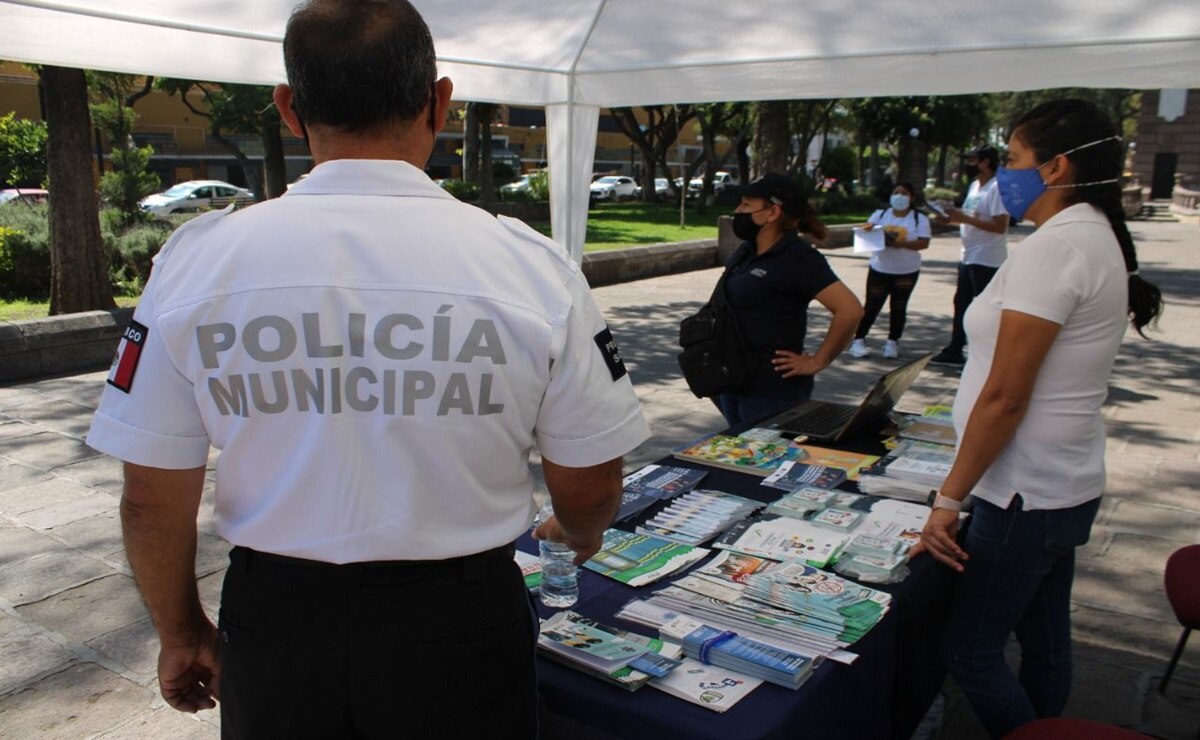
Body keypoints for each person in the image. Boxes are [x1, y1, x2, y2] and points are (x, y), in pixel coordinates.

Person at [84, 1, 650, 737]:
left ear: (289, 109)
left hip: (277, 620)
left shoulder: (200, 261)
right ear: (438, 102)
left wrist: (184, 632)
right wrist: (580, 531)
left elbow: (151, 499)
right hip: (461, 619)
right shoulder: (528, 265)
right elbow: (590, 479)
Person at [912, 99, 1163, 738]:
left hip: (1022, 491)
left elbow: (1006, 396)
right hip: (1059, 482)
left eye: (1016, 160)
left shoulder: (1060, 246)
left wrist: (949, 498)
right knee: (1046, 641)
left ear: (1054, 168)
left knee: (968, 649)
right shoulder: (1085, 234)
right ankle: (1044, 724)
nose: (1006, 177)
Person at [712, 173, 863, 427]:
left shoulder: (799, 258)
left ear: (773, 212)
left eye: (747, 205)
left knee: (766, 459)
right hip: (734, 380)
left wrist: (818, 360)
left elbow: (850, 310)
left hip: (771, 390)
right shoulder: (747, 250)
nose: (738, 211)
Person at [930, 145, 1010, 366]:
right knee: (962, 303)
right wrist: (951, 219)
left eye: (973, 160)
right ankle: (956, 348)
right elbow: (971, 216)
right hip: (968, 255)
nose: (968, 164)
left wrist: (964, 220)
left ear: (985, 162)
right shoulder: (975, 186)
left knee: (985, 307)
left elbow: (1000, 226)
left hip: (987, 257)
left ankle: (988, 352)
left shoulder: (997, 188)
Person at [848, 182, 931, 359]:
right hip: (880, 268)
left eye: (904, 193)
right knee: (872, 305)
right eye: (896, 193)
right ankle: (858, 340)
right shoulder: (880, 215)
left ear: (912, 198)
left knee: (899, 307)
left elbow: (924, 243)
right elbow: (868, 230)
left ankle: (892, 343)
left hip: (906, 270)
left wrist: (902, 244)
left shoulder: (919, 219)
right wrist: (868, 229)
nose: (899, 197)